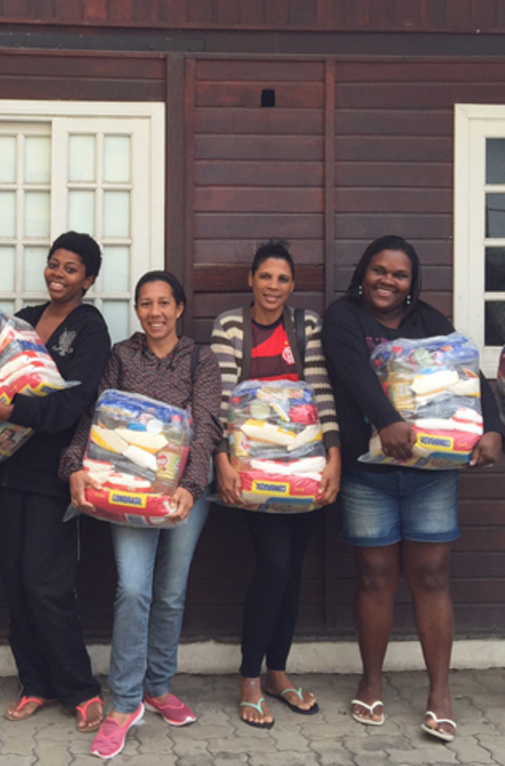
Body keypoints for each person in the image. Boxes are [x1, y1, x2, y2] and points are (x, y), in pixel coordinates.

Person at [321, 234, 502, 742]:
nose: (387, 280)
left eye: (399, 274)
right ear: (363, 272)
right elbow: (354, 374)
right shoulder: (343, 318)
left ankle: (439, 692)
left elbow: (471, 375)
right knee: (376, 577)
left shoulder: (431, 322)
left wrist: (494, 428)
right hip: (368, 472)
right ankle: (371, 680)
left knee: (432, 575)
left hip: (431, 476)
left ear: (411, 282)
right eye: (379, 270)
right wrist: (386, 422)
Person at [60, 271, 222, 760]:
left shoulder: (200, 360)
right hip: (127, 493)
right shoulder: (122, 357)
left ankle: (158, 685)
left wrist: (192, 488)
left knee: (170, 594)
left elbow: (207, 425)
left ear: (179, 308)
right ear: (137, 310)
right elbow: (96, 415)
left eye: (164, 303)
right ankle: (126, 702)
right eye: (145, 304)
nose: (155, 312)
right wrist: (74, 466)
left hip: (181, 496)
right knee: (133, 589)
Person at [0, 231, 111, 733]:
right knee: (16, 585)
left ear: (89, 279)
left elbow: (73, 405)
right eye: (53, 264)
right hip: (4, 474)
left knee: (48, 586)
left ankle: (80, 688)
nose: (58, 274)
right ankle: (35, 683)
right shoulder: (21, 321)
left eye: (71, 268)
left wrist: (13, 409)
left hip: (51, 475)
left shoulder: (90, 329)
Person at [210, 240, 341, 728]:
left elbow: (321, 391)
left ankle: (277, 672)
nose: (272, 286)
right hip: (253, 472)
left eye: (282, 278)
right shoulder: (229, 326)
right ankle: (249, 676)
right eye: (265, 276)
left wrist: (333, 457)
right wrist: (221, 460)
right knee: (275, 564)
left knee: (293, 570)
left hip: (305, 470)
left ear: (292, 285)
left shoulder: (306, 327)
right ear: (251, 279)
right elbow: (221, 400)